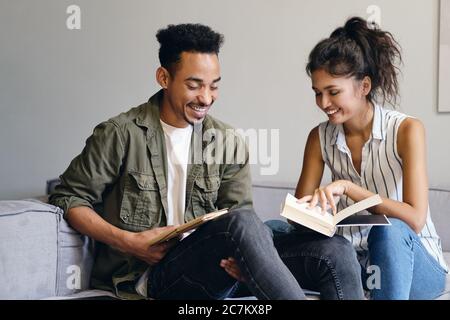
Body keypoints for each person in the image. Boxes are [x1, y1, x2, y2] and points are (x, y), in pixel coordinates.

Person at [50, 23, 306, 300]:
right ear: (163, 77)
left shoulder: (226, 141)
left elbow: (239, 217)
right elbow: (69, 198)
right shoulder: (120, 134)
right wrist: (130, 242)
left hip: (208, 271)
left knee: (331, 252)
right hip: (144, 277)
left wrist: (247, 260)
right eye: (194, 85)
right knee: (243, 223)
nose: (206, 98)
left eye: (214, 86)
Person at [292, 16, 448, 299]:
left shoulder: (406, 130)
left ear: (364, 86)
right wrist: (315, 210)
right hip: (354, 261)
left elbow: (414, 218)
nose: (323, 103)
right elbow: (301, 220)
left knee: (389, 232)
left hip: (413, 261)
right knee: (271, 230)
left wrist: (349, 189)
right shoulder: (319, 138)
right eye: (317, 93)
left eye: (333, 92)